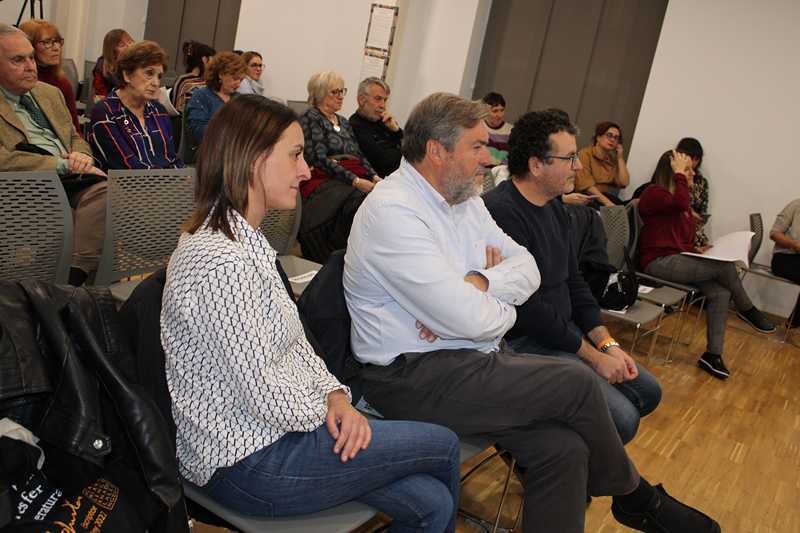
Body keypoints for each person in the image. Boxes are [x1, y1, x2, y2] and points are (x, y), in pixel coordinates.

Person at [344, 92, 720, 533]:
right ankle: (635, 497)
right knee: (577, 381)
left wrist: (480, 285)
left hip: (466, 358)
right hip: (408, 378)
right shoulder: (394, 211)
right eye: (478, 146)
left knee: (564, 450)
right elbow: (471, 319)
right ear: (437, 151)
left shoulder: (462, 199)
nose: (488, 159)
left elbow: (528, 268)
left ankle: (634, 498)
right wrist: (492, 304)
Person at [161, 94, 460, 532]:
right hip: (244, 461)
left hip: (279, 434)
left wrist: (336, 396)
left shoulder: (247, 240)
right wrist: (334, 413)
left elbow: (295, 346)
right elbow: (264, 389)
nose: (305, 170)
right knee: (444, 445)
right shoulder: (219, 260)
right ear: (251, 159)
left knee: (431, 504)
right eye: (296, 155)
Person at [483, 109, 662, 445]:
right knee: (622, 419)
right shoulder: (500, 213)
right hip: (524, 341)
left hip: (563, 334)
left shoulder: (554, 207)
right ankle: (551, 457)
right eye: (569, 159)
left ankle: (568, 452)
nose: (578, 167)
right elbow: (529, 310)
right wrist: (593, 357)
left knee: (648, 392)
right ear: (537, 165)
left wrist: (608, 345)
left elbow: (575, 282)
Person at [639, 150, 776, 379]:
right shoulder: (654, 193)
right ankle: (747, 309)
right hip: (657, 262)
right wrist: (681, 177)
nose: (692, 174)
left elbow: (681, 238)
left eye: (691, 170)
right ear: (673, 172)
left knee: (721, 292)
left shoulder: (677, 202)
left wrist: (697, 250)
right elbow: (679, 203)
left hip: (676, 258)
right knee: (725, 267)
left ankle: (712, 356)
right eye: (687, 169)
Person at [0, 23, 106, 286]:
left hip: (72, 180)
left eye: (31, 57)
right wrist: (62, 165)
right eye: (18, 60)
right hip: (26, 185)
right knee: (94, 205)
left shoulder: (50, 93)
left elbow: (74, 138)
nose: (30, 66)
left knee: (109, 196)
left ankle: (67, 282)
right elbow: (4, 159)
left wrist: (82, 157)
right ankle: (71, 285)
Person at [297, 71, 380, 264]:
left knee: (377, 196)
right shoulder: (311, 117)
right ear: (320, 93)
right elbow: (318, 158)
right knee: (357, 200)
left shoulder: (342, 121)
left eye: (342, 91)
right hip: (324, 177)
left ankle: (365, 256)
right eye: (335, 92)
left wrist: (375, 177)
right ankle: (340, 254)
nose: (341, 96)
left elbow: (358, 155)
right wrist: (356, 181)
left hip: (349, 172)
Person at [88, 41, 183, 171]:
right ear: (127, 75)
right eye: (149, 73)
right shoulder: (106, 112)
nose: (156, 83)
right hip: (126, 187)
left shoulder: (158, 110)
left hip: (163, 186)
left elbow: (172, 159)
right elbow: (127, 167)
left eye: (159, 76)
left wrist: (184, 180)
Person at [18, 19, 80, 133]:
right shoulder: (17, 82)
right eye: (47, 42)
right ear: (29, 46)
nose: (56, 48)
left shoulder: (62, 84)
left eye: (57, 41)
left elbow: (75, 130)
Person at [183, 51, 246, 163]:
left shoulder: (239, 99)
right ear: (221, 74)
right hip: (208, 157)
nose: (238, 84)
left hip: (233, 156)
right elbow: (199, 132)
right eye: (235, 78)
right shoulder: (201, 96)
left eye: (241, 80)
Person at [349, 77, 402, 177]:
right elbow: (385, 163)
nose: (383, 105)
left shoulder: (385, 121)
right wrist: (402, 152)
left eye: (385, 100)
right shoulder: (355, 125)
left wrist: (396, 131)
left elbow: (412, 148)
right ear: (361, 100)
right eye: (378, 99)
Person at [575, 121, 630, 206]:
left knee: (632, 205)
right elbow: (587, 187)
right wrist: (608, 203)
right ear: (598, 137)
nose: (612, 140)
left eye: (616, 138)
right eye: (609, 135)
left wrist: (620, 158)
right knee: (616, 213)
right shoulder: (585, 154)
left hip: (605, 198)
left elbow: (624, 183)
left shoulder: (612, 160)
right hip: (587, 198)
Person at [770, 198, 800, 328]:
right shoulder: (796, 205)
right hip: (784, 258)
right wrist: (795, 244)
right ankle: (794, 322)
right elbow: (774, 234)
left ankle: (794, 322)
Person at [676, 137, 710, 247]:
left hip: (693, 228)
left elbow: (702, 211)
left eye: (697, 159)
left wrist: (699, 217)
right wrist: (689, 212)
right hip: (678, 227)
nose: (694, 162)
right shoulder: (674, 178)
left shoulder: (702, 182)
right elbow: (675, 204)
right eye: (692, 157)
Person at [171, 40, 215, 114]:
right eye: (212, 60)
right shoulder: (184, 80)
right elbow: (179, 108)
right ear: (204, 59)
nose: (214, 65)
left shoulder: (209, 81)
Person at [92, 28, 133, 99]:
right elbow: (100, 96)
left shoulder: (136, 63)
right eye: (122, 45)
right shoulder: (102, 65)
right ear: (112, 51)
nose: (129, 46)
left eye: (130, 42)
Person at [482, 91, 512, 166]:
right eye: (495, 111)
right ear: (485, 111)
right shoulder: (478, 128)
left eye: (502, 110)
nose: (499, 115)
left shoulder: (511, 132)